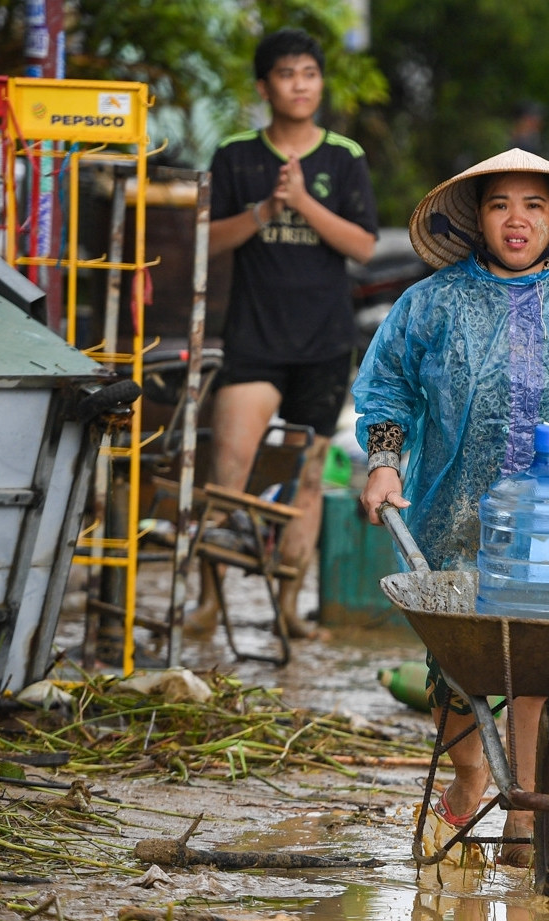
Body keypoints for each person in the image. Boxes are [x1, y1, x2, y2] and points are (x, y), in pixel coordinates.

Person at [351, 148, 549, 867]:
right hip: (457, 514)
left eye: (534, 206)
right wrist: (382, 463)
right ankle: (470, 778)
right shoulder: (433, 301)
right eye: (500, 205)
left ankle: (523, 816)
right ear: (477, 218)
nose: (516, 220)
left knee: (537, 657)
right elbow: (390, 386)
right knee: (458, 664)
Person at [187, 28, 379, 640]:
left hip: (324, 341)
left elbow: (364, 246)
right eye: (287, 74)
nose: (300, 85)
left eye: (310, 74)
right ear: (264, 85)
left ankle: (290, 609)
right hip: (253, 339)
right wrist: (265, 213)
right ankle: (209, 604)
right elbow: (208, 240)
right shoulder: (236, 155)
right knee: (230, 470)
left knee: (312, 474)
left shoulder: (343, 156)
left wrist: (300, 201)